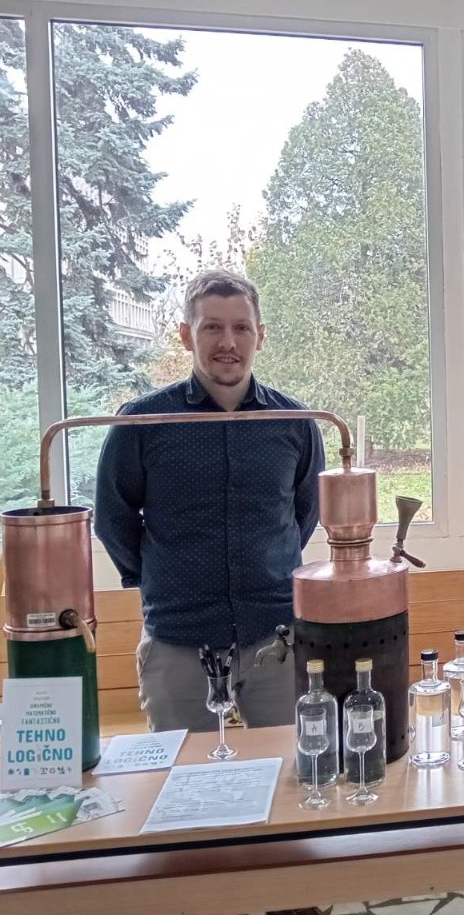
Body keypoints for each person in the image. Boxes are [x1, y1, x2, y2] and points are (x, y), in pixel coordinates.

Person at [95, 269, 325, 734]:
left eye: (241, 328)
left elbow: (304, 513)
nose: (228, 342)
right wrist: (163, 577)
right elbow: (113, 518)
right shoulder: (142, 423)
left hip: (276, 639)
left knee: (294, 768)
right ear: (186, 335)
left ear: (260, 335)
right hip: (178, 641)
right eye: (212, 327)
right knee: (183, 774)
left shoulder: (295, 421)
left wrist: (265, 565)